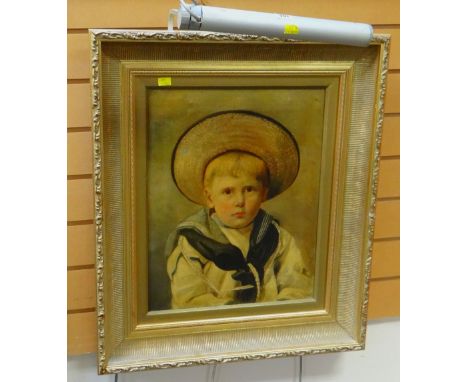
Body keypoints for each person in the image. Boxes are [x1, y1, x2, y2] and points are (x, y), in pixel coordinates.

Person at [166, 112, 313, 309]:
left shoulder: (277, 238)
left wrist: (276, 310)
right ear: (210, 197)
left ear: (263, 194)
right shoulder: (193, 241)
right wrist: (231, 312)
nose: (239, 201)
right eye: (228, 192)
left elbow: (297, 285)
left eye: (249, 190)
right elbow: (188, 298)